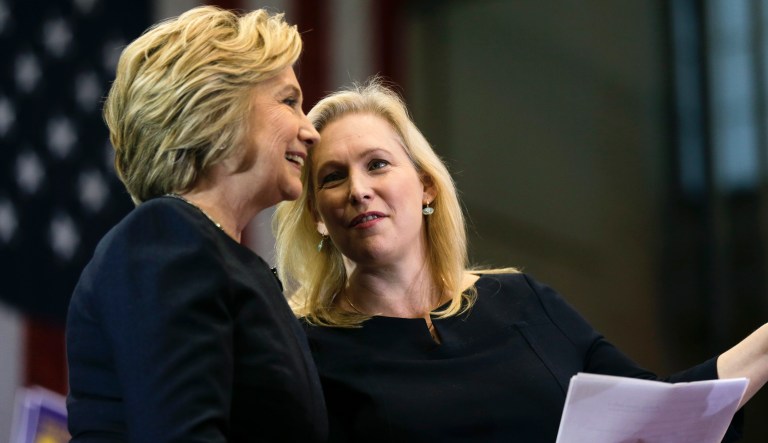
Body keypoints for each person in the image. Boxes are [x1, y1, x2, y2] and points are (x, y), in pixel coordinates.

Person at [273, 79, 768, 442]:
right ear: (317, 213)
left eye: (377, 164)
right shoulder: (304, 350)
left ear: (425, 185)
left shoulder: (521, 302)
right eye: (333, 177)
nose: (358, 190)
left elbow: (658, 416)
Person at [65, 6, 327, 442]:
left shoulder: (205, 251)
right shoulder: (165, 239)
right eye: (289, 101)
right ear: (216, 109)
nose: (310, 130)